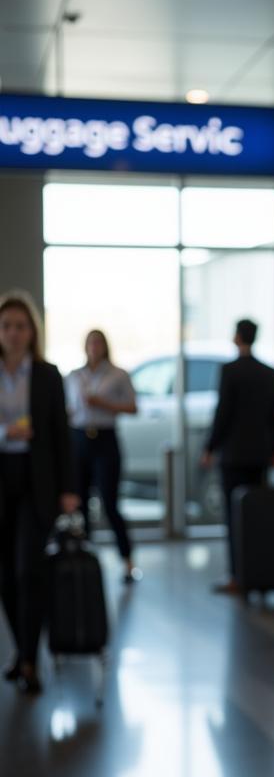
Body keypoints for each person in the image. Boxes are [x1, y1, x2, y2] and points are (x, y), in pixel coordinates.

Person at [0, 291, 79, 694]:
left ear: (32, 331)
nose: (14, 333)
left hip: (37, 480)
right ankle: (21, 650)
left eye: (21, 326)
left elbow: (61, 437)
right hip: (3, 475)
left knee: (29, 570)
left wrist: (69, 488)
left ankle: (30, 658)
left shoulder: (47, 374)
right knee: (5, 578)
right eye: (7, 326)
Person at [201, 319, 274, 595]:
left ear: (237, 337)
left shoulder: (230, 371)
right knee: (257, 516)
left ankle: (237, 576)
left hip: (233, 455)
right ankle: (257, 574)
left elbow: (223, 414)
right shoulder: (269, 373)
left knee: (234, 517)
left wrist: (210, 447)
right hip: (260, 454)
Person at [65, 329, 139, 583]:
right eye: (90, 343)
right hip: (79, 438)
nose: (94, 347)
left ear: (105, 346)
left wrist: (103, 404)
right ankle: (85, 561)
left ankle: (128, 561)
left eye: (98, 343)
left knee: (109, 502)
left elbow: (132, 406)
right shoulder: (75, 376)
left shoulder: (118, 375)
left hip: (105, 440)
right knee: (80, 503)